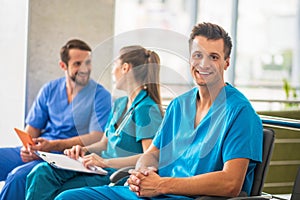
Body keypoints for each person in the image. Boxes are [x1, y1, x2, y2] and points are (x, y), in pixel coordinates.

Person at [55, 22, 263, 200]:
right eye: (198, 55)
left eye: (214, 57)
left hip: (181, 195)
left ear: (226, 63)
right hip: (148, 192)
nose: (203, 64)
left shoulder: (239, 113)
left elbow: (231, 183)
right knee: (68, 197)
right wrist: (142, 172)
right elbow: (152, 154)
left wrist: (162, 185)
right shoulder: (179, 105)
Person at [25, 45, 164, 200]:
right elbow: (104, 144)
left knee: (60, 191)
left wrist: (106, 162)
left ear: (125, 68)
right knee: (41, 172)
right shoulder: (120, 103)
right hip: (97, 167)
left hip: (115, 173)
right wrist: (82, 150)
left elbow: (150, 157)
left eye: (114, 65)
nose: (112, 71)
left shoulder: (146, 109)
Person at [0, 39, 112, 200]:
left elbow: (96, 137)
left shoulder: (100, 96)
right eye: (77, 64)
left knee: (17, 177)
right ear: (63, 66)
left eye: (88, 63)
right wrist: (28, 148)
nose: (85, 69)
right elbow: (32, 128)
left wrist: (52, 146)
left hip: (66, 156)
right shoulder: (50, 89)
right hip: (40, 150)